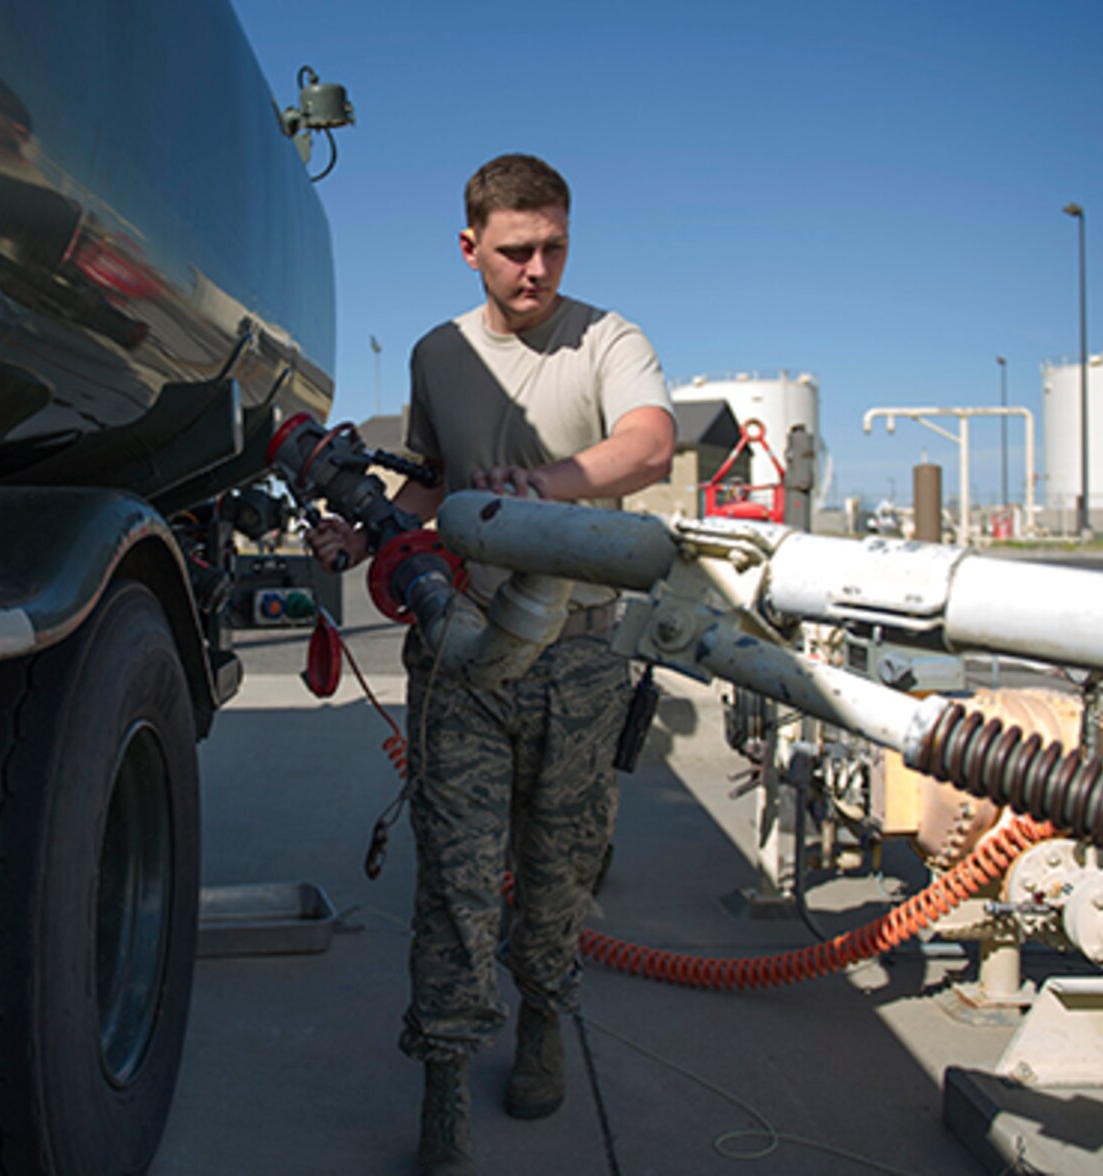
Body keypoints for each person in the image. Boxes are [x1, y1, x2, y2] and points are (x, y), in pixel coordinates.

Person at [311, 153, 675, 1175]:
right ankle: (442, 1084)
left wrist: (546, 487)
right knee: (455, 883)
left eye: (554, 246)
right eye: (516, 250)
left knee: (557, 878)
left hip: (581, 658)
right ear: (469, 246)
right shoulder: (437, 355)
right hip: (462, 656)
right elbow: (432, 487)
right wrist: (363, 539)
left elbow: (646, 444)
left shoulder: (607, 338)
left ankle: (545, 1025)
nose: (537, 269)